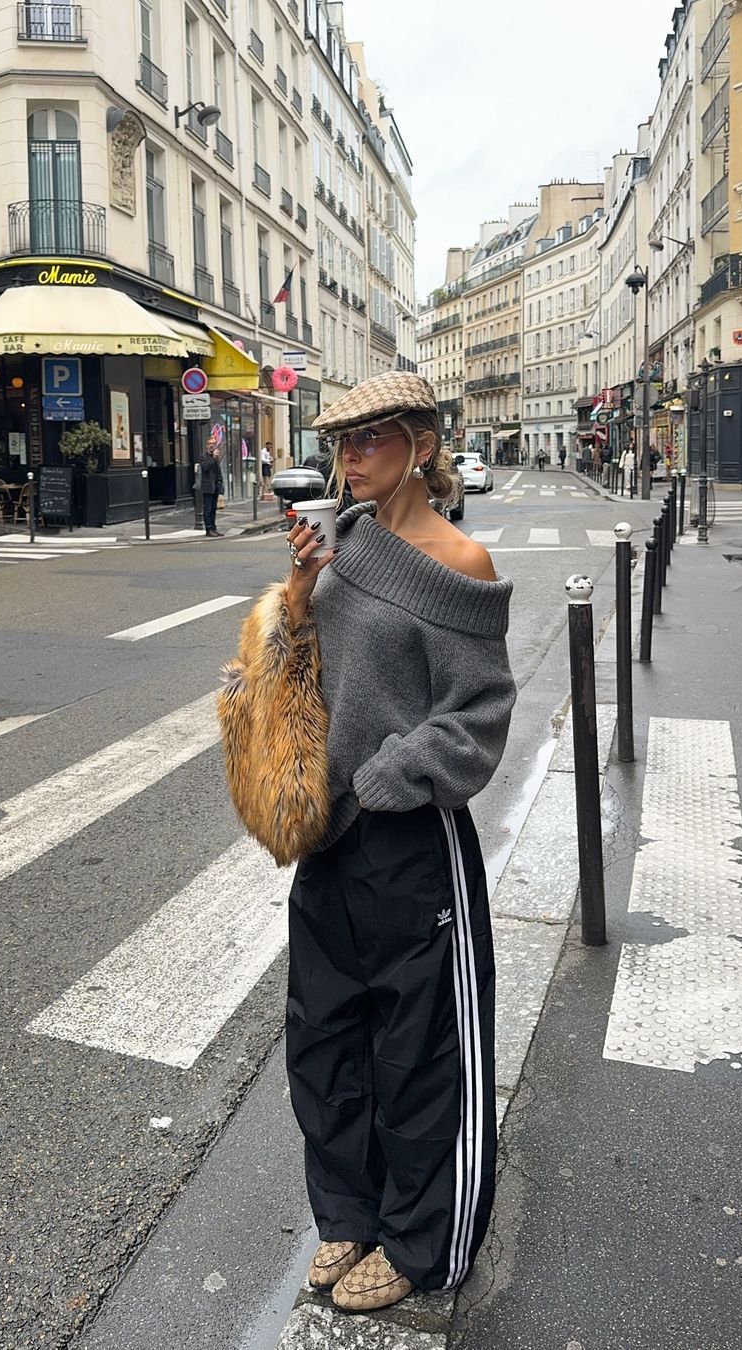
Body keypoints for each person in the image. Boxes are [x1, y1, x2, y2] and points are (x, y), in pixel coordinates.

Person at [282, 371, 516, 1315]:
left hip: (411, 839)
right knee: (324, 1037)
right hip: (327, 834)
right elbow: (293, 669)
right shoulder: (337, 543)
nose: (348, 456)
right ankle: (348, 1214)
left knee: (421, 1050)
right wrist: (300, 594)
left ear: (420, 444)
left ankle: (424, 1242)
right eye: (339, 440)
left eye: (368, 437)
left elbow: (481, 712)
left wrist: (393, 773)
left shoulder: (463, 561)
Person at [199, 440, 224, 537]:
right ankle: (208, 529)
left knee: (214, 509)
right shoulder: (203, 457)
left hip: (215, 486)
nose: (212, 446)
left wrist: (221, 486)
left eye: (213, 444)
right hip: (207, 486)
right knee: (208, 509)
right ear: (206, 445)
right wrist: (213, 457)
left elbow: (219, 472)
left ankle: (214, 527)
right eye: (210, 444)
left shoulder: (215, 457)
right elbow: (205, 467)